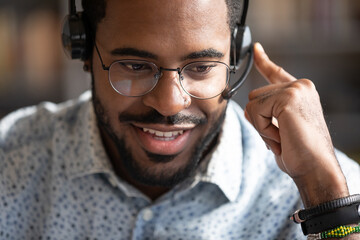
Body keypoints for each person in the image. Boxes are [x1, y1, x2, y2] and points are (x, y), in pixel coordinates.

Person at [0, 0, 359, 239]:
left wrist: (325, 196)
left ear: (235, 55)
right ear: (82, 51)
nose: (171, 104)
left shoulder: (330, 193)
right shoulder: (10, 162)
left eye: (202, 67)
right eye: (136, 66)